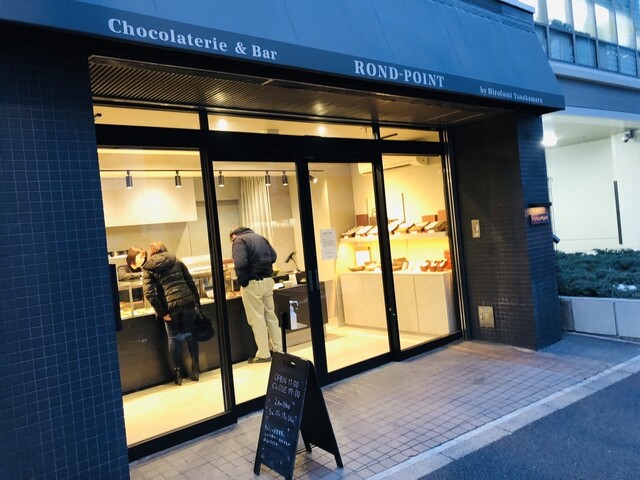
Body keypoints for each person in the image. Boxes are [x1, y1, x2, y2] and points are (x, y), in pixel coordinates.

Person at [142, 241, 201, 385]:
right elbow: (191, 282)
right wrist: (196, 303)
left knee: (173, 339)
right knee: (190, 335)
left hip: (170, 308)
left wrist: (162, 312)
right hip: (187, 303)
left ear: (151, 253)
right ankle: (195, 369)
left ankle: (178, 374)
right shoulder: (177, 261)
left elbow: (149, 293)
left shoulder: (149, 268)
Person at [230, 227, 283, 363]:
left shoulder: (239, 240)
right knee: (271, 316)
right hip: (267, 281)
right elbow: (273, 256)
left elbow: (240, 263)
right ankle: (279, 350)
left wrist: (243, 282)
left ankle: (264, 354)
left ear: (234, 235)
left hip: (253, 283)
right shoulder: (260, 237)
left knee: (257, 319)